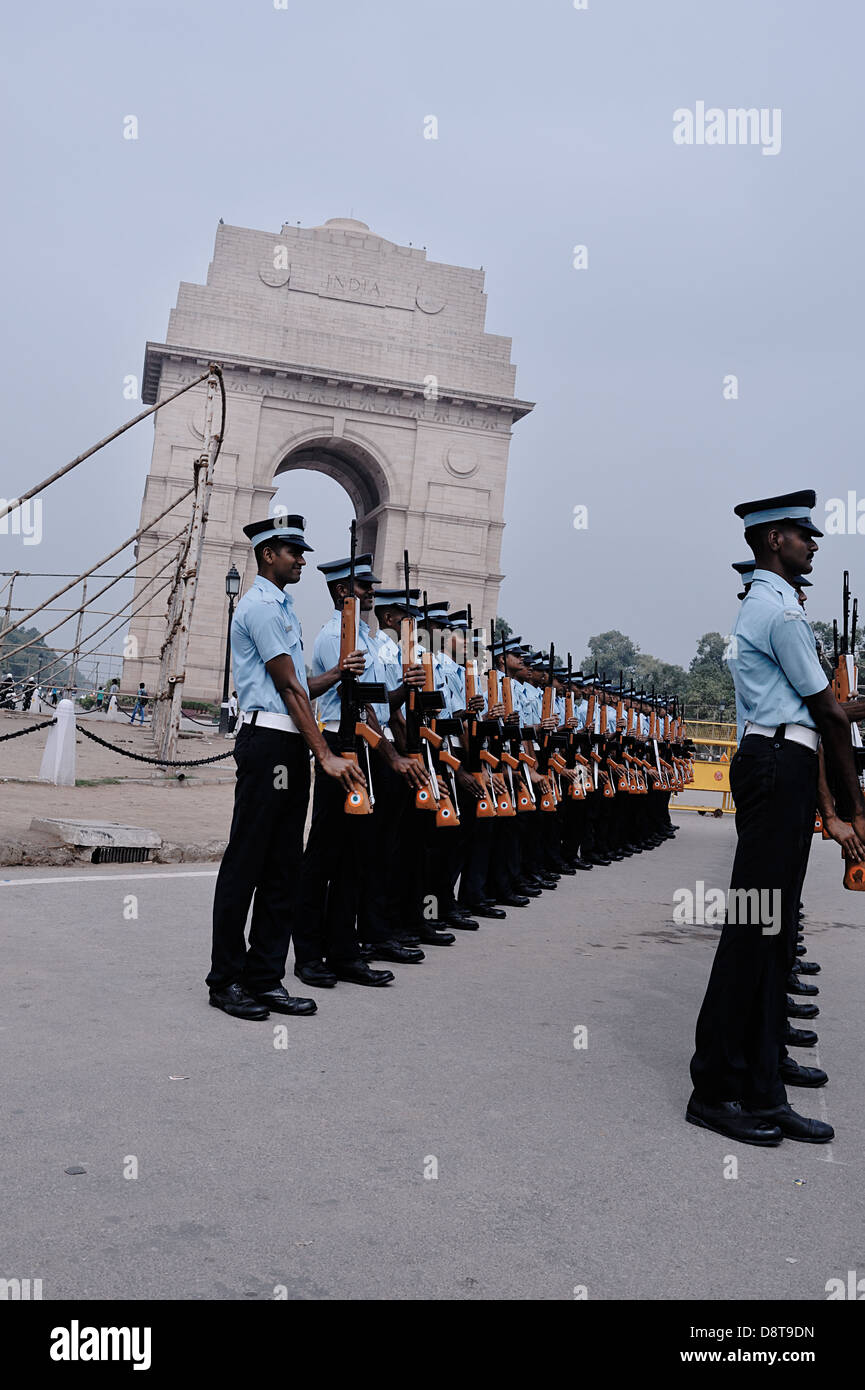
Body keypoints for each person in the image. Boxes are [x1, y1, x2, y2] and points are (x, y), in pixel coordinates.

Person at [688, 489, 865, 1146]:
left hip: (781, 764)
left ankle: (762, 1088)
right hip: (774, 763)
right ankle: (712, 1087)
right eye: (801, 534)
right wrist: (852, 806)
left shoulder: (775, 607)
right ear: (772, 543)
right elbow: (826, 713)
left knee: (771, 932)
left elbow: (825, 713)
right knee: (752, 930)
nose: (811, 543)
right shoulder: (776, 613)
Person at [207, 514, 366, 1021]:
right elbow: (290, 690)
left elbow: (303, 684)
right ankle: (225, 980)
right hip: (269, 744)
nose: (302, 560)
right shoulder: (259, 607)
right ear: (268, 554)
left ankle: (264, 978)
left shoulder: (284, 609)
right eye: (294, 551)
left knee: (282, 869)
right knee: (246, 865)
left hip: (289, 743)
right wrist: (325, 754)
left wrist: (337, 674)